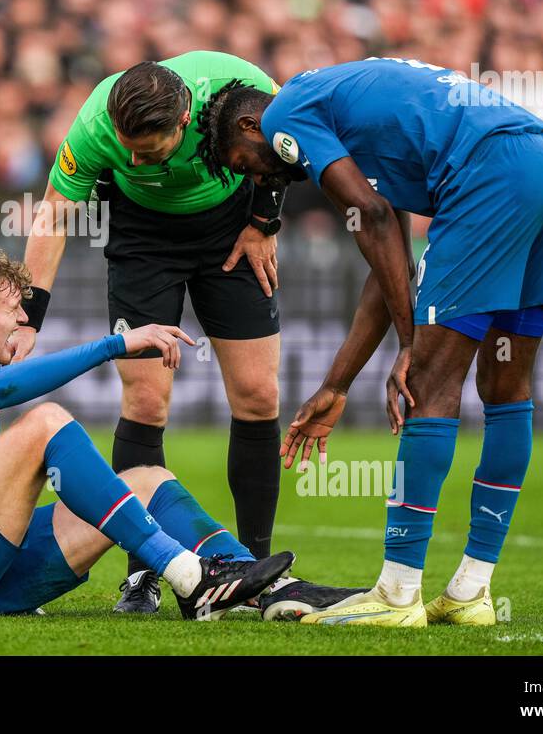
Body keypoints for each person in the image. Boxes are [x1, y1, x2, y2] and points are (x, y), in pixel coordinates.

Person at [196, 57, 543, 626]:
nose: (259, 179)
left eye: (243, 164)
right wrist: (337, 384)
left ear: (253, 128)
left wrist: (411, 347)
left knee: (429, 383)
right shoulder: (348, 112)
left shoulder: (285, 114)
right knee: (505, 382)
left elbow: (372, 219)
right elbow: (388, 258)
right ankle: (472, 589)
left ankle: (399, 593)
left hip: (493, 172)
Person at [0, 244, 347, 619]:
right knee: (46, 422)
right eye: (13, 309)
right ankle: (185, 572)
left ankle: (265, 588)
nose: (24, 320)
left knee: (145, 478)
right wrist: (115, 345)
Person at [16, 51, 318, 615]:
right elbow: (55, 213)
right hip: (143, 239)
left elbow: (292, 145)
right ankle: (142, 576)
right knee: (147, 400)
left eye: (147, 150)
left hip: (231, 228)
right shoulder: (96, 124)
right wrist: (28, 318)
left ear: (183, 123)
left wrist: (262, 223)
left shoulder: (248, 87)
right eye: (126, 147)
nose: (132, 157)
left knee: (258, 395)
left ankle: (254, 571)